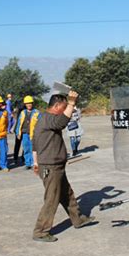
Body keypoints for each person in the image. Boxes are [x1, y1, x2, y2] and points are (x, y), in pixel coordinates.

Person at [32, 91, 95, 242]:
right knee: (51, 200)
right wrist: (72, 102)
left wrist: (35, 162)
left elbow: (35, 143)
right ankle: (40, 231)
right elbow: (62, 122)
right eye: (65, 107)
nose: (69, 110)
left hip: (55, 165)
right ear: (57, 106)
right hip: (51, 167)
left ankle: (78, 219)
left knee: (67, 194)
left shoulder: (45, 119)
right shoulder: (48, 118)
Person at [15, 95, 40, 169]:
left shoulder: (37, 113)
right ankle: (27, 163)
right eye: (27, 103)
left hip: (34, 134)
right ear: (25, 104)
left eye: (30, 103)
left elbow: (41, 123)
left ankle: (33, 163)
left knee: (33, 149)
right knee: (26, 148)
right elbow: (19, 123)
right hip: (25, 133)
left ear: (32, 103)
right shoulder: (22, 113)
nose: (29, 104)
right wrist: (18, 133)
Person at [13, 99, 25, 165]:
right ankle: (19, 158)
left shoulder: (20, 110)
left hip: (23, 130)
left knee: (19, 144)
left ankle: (17, 158)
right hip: (19, 129)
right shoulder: (22, 110)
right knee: (21, 144)